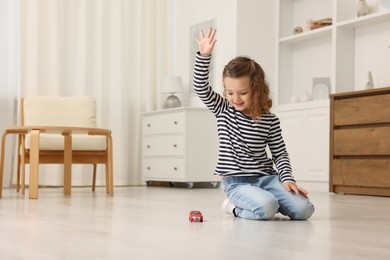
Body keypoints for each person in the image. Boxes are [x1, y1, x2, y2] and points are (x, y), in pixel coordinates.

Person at [193, 28, 314, 220]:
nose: (235, 99)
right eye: (230, 92)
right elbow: (200, 87)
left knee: (304, 210)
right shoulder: (223, 109)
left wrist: (287, 178)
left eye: (242, 93)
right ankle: (233, 207)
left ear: (256, 89)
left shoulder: (270, 119)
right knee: (267, 207)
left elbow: (279, 152)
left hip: (267, 178)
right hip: (237, 182)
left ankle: (266, 199)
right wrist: (204, 56)